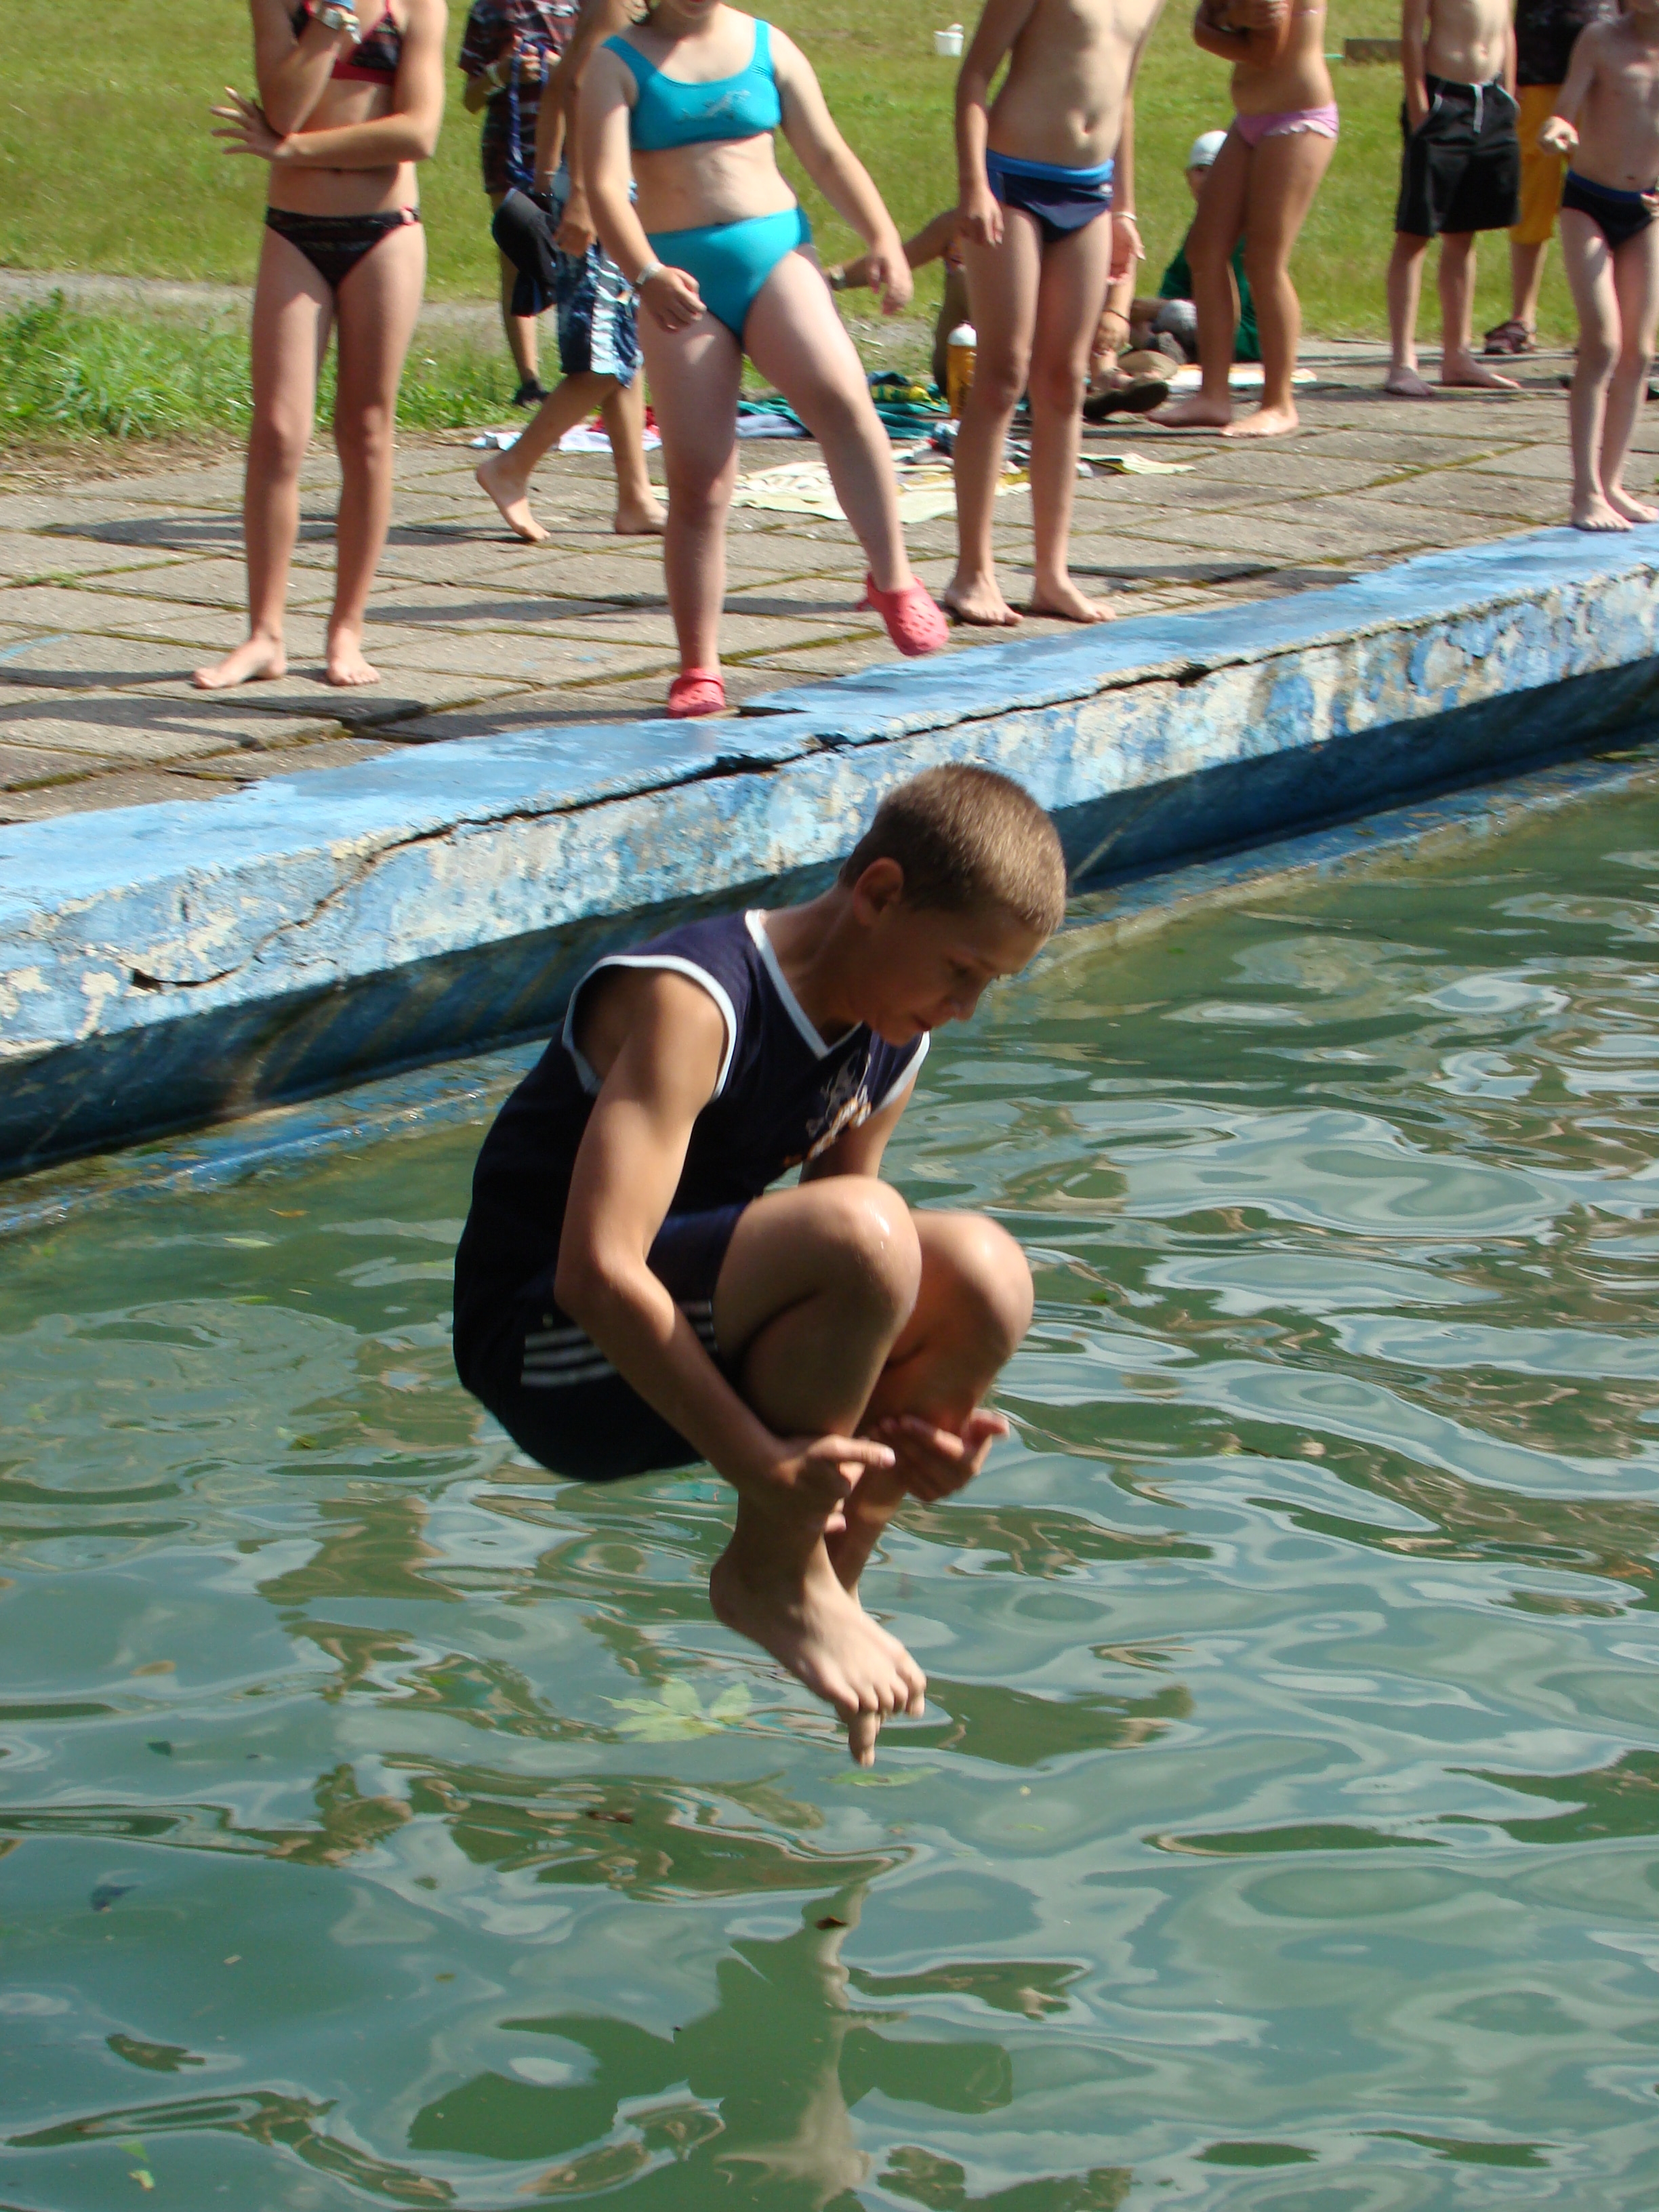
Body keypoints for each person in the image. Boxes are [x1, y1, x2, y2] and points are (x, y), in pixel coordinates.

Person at [451, 765, 1065, 1765]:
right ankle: (777, 1572)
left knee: (986, 1277)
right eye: (961, 970)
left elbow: (868, 1302)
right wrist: (759, 1466)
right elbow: (594, 1272)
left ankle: (827, 1577)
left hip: (679, 1344)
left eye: (989, 984)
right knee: (866, 1232)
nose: (965, 1007)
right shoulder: (696, 1002)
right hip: (545, 1353)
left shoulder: (889, 1044)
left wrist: (910, 1435)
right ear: (879, 895)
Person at [581, 0, 947, 719]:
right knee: (701, 476)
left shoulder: (765, 45)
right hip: (678, 279)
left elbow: (828, 154)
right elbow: (603, 188)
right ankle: (699, 663)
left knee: (843, 399)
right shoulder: (615, 64)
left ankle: (894, 578)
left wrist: (882, 239)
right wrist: (645, 274)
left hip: (774, 255)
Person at [197, 0, 446, 691]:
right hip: (294, 230)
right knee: (278, 430)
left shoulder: (418, 6)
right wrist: (332, 19)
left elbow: (417, 132)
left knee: (365, 429)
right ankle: (265, 635)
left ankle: (346, 629)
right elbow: (286, 108)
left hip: (386, 230)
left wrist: (294, 151)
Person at [946, 0, 1160, 628]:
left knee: (1065, 380)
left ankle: (1051, 575)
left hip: (1090, 188)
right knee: (1003, 372)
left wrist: (1124, 208)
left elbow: (1123, 95)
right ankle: (972, 571)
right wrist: (973, 184)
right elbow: (974, 76)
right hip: (1012, 180)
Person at [475, 0, 665, 540]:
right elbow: (580, 87)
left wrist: (545, 178)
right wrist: (578, 194)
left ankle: (635, 498)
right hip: (605, 197)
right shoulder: (620, 4)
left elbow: (561, 79)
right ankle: (511, 467)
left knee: (625, 351)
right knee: (604, 361)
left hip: (610, 191)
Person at [1149, 2, 1335, 436]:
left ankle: (1279, 404)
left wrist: (1216, 22)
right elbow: (1209, 20)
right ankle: (1213, 396)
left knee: (1264, 260)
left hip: (1297, 119)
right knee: (1205, 250)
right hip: (1251, 119)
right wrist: (1223, 19)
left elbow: (1263, 52)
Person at [1540, 0, 1659, 528]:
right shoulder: (1600, 39)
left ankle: (1612, 484)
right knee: (1603, 342)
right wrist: (1556, 130)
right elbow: (1565, 108)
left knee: (1639, 351)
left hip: (1646, 212)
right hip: (1588, 202)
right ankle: (1585, 491)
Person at [1384, 0, 1523, 397]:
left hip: (1490, 99)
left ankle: (1457, 356)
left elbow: (1505, 29)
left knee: (1464, 234)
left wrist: (1508, 96)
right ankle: (1402, 362)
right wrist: (1419, 105)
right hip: (1443, 99)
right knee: (1416, 233)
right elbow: (1412, 33)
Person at [459, 0, 573, 407]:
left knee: (581, 256)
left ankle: (585, 371)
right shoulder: (490, 9)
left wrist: (560, 69)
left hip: (575, 149)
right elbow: (471, 98)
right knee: (517, 258)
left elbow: (607, 73)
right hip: (510, 152)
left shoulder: (587, 7)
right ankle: (530, 382)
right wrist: (500, 73)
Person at [1486, 0, 1616, 354]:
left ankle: (1602, 328)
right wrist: (1505, 73)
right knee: (1532, 199)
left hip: (1602, 80)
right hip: (1535, 73)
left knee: (1604, 198)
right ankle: (1521, 319)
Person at [1134, 127, 1262, 365]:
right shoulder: (1202, 227)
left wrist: (1159, 310)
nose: (1208, 181)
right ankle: (1164, 347)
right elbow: (1175, 287)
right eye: (1201, 171)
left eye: (1219, 172)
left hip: (1242, 336)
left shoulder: (1245, 231)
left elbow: (1233, 310)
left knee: (1173, 313)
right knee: (1124, 316)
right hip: (1201, 320)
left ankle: (1161, 348)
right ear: (1188, 176)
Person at [827, 210, 970, 396]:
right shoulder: (956, 225)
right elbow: (894, 262)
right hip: (953, 377)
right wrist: (823, 279)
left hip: (997, 373)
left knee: (965, 278)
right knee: (963, 277)